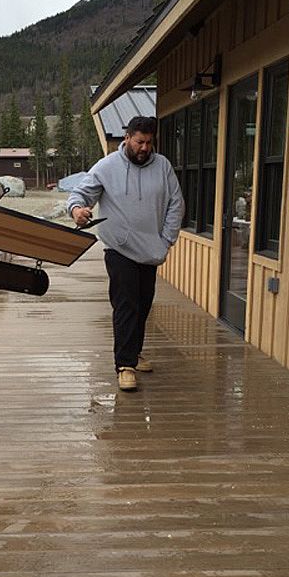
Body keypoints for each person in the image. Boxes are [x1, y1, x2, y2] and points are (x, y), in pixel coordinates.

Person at [67, 115, 184, 391]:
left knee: (143, 304)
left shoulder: (163, 167)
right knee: (126, 305)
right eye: (140, 142)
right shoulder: (107, 166)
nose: (145, 148)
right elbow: (79, 194)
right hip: (119, 248)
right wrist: (77, 210)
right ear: (127, 138)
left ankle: (134, 352)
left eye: (149, 143)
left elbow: (176, 204)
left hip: (151, 250)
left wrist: (166, 240)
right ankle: (124, 365)